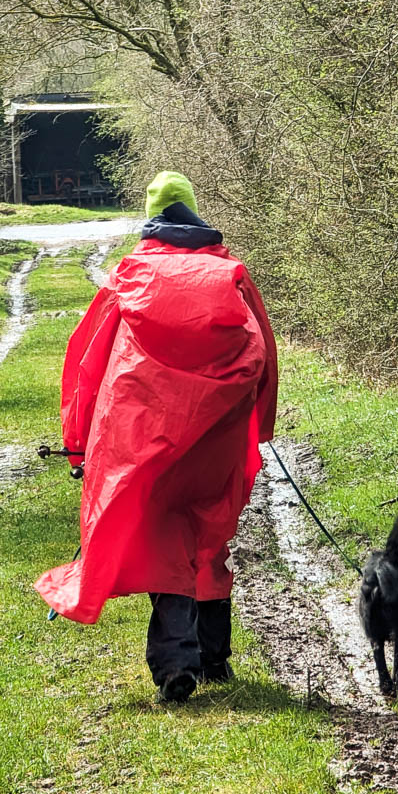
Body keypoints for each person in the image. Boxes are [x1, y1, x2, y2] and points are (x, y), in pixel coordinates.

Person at [35, 171, 278, 702]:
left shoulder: (128, 279)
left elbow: (86, 366)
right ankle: (214, 658)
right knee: (207, 536)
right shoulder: (230, 274)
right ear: (194, 213)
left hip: (141, 438)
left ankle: (176, 668)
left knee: (167, 539)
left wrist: (78, 443)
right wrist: (259, 424)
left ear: (150, 218)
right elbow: (265, 356)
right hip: (217, 435)